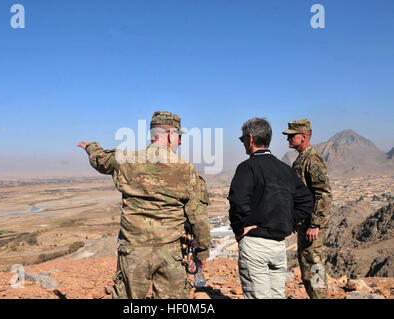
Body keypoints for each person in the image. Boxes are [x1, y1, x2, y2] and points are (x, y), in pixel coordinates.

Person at [77, 111, 211, 299]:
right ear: (170, 133)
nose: (180, 142)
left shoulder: (125, 160)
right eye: (179, 136)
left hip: (133, 250)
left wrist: (90, 147)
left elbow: (100, 159)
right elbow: (198, 217)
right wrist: (201, 252)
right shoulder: (186, 169)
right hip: (171, 252)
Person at [228, 118, 314, 299]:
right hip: (278, 247)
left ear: (250, 138)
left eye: (242, 139)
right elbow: (307, 200)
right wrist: (288, 222)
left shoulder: (247, 168)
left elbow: (238, 203)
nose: (243, 142)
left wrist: (239, 229)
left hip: (255, 245)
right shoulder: (285, 169)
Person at [283, 118, 333, 299]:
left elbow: (324, 193)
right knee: (307, 269)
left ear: (304, 136)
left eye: (291, 136)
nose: (288, 139)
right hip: (305, 224)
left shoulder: (312, 159)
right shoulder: (300, 160)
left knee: (315, 268)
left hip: (312, 226)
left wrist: (315, 224)